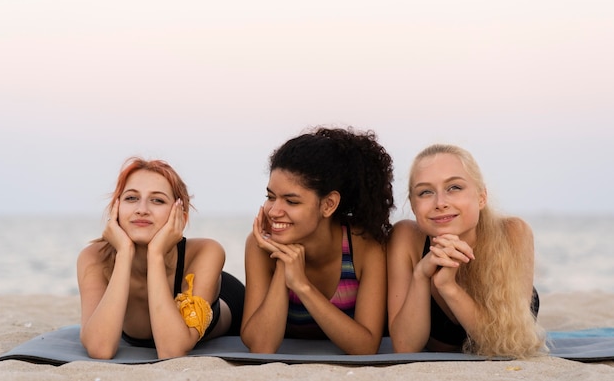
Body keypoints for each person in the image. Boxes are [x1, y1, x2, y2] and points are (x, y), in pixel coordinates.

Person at [240, 126, 395, 355]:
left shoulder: (364, 246)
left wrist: (302, 285)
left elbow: (365, 346)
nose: (273, 211)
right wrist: (284, 263)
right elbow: (261, 347)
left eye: (291, 202)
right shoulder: (260, 246)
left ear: (329, 204)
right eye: (271, 197)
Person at [387, 144, 546, 358]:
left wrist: (448, 286)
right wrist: (421, 275)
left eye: (454, 188)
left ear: (481, 197)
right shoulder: (407, 237)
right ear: (414, 206)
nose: (440, 203)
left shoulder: (513, 233)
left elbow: (507, 346)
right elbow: (405, 348)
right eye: (425, 192)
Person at [77, 157, 245, 359]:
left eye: (157, 200)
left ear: (180, 216)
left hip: (225, 297)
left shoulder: (206, 251)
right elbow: (100, 349)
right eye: (131, 198)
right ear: (116, 208)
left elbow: (171, 351)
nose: (142, 209)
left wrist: (155, 254)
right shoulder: (94, 258)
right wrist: (124, 253)